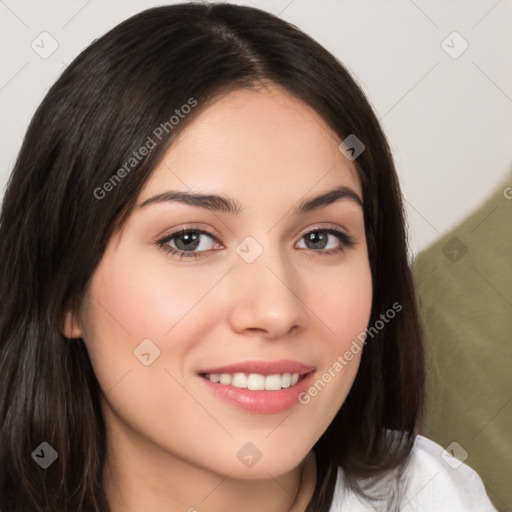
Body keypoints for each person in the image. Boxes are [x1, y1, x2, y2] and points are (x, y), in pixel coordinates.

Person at [0, 3, 497, 511]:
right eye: (189, 240)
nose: (276, 311)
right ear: (64, 291)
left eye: (320, 238)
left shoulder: (433, 495)